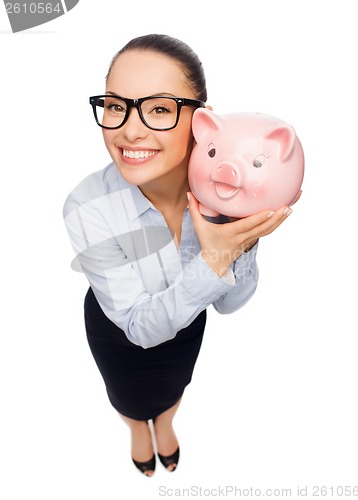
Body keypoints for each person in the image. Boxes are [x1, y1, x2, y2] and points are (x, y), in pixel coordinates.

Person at [63, 34, 298, 477]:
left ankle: (166, 424)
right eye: (115, 106)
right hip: (118, 332)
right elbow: (138, 328)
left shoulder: (230, 191)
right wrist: (213, 262)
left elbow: (229, 304)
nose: (129, 130)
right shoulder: (87, 206)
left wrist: (237, 236)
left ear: (202, 120)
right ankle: (137, 429)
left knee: (174, 386)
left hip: (187, 327)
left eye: (158, 108)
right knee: (126, 396)